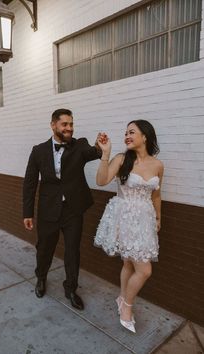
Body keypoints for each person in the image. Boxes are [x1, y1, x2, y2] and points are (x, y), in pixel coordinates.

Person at [23, 108, 102, 310]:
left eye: (71, 124)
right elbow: (30, 184)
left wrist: (101, 146)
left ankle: (71, 289)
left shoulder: (80, 145)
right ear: (53, 125)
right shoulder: (38, 150)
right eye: (65, 124)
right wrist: (28, 213)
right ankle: (41, 278)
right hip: (49, 209)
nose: (69, 128)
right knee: (44, 248)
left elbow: (94, 152)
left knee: (72, 251)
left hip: (73, 210)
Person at [94, 120, 164, 333]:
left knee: (130, 265)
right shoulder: (122, 159)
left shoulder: (157, 165)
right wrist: (106, 154)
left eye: (132, 132)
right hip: (123, 218)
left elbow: (157, 194)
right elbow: (101, 180)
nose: (127, 135)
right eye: (126, 132)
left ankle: (122, 298)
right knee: (144, 269)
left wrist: (158, 218)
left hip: (144, 220)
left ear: (145, 136)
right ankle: (127, 306)